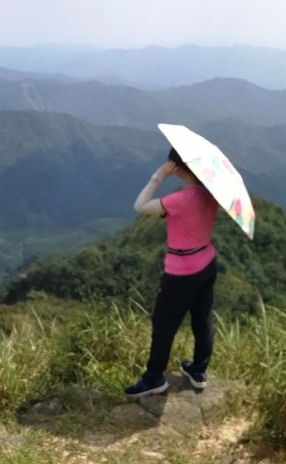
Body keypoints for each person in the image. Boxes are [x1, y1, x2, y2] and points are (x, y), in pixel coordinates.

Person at [124, 146, 219, 397]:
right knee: (202, 318)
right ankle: (198, 370)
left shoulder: (180, 200)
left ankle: (154, 378)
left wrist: (158, 177)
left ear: (177, 167)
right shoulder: (212, 193)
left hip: (182, 271)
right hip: (207, 262)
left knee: (164, 324)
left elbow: (140, 205)